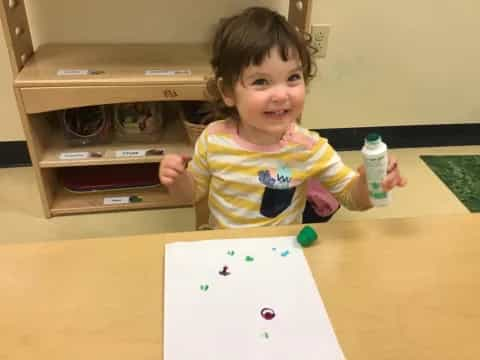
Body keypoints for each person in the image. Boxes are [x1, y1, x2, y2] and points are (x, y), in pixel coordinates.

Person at [159, 6, 407, 228]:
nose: (281, 94)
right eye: (260, 81)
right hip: (227, 249)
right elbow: (191, 195)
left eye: (293, 78)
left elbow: (353, 199)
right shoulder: (213, 139)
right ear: (227, 92)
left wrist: (370, 184)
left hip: (282, 252)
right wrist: (177, 179)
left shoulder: (310, 148)